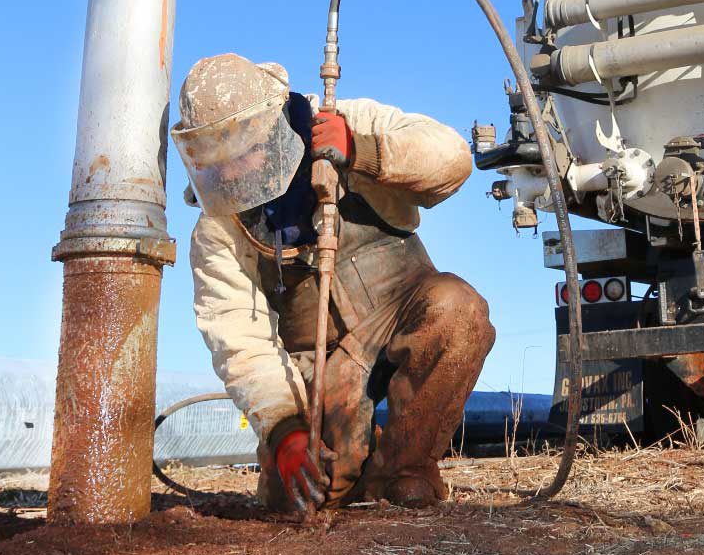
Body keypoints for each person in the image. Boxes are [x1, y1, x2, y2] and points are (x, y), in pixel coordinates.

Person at [171, 54, 495, 511]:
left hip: (402, 312)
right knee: (303, 496)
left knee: (456, 312)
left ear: (271, 125)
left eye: (241, 151)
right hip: (319, 360)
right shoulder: (219, 228)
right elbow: (239, 337)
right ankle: (355, 462)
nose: (232, 173)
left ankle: (404, 472)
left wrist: (363, 151)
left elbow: (451, 157)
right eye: (219, 162)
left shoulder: (346, 119)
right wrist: (285, 431)